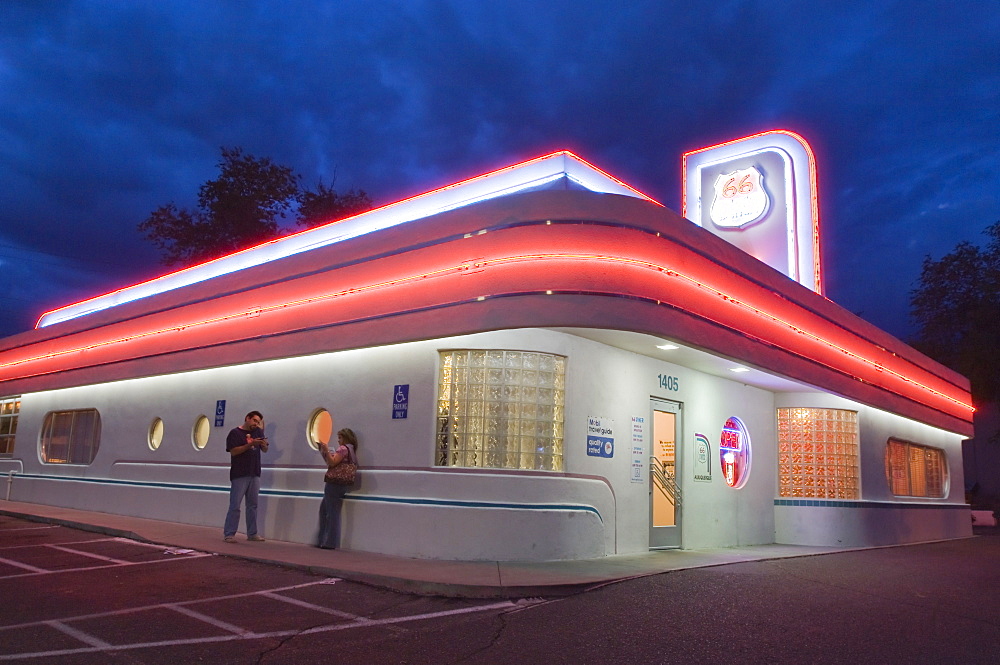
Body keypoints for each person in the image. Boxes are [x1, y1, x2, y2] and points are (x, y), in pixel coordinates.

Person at [223, 410, 269, 543]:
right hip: (240, 473)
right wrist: (250, 444)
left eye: (258, 422)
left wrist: (263, 444)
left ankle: (252, 533)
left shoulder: (258, 432)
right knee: (235, 504)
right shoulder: (235, 433)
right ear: (247, 418)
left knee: (252, 505)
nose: (256, 424)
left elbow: (265, 450)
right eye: (254, 420)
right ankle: (229, 533)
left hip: (254, 472)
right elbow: (234, 451)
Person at [317, 428, 358, 549]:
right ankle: (323, 539)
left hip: (334, 483)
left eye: (340, 438)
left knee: (330, 512)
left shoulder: (343, 449)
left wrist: (325, 451)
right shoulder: (351, 449)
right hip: (343, 484)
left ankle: (329, 541)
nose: (338, 440)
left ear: (345, 438)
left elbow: (332, 462)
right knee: (326, 510)